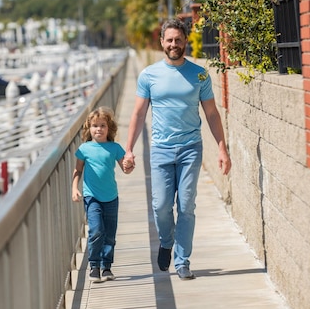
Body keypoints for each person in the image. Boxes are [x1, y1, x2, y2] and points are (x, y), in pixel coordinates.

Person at [123, 18, 231, 280]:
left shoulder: (199, 75)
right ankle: (166, 241)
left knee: (186, 205)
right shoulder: (149, 75)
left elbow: (212, 114)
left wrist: (222, 148)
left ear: (185, 42)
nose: (174, 44)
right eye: (169, 40)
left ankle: (183, 261)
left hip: (190, 149)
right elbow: (138, 114)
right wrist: (128, 150)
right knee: (160, 205)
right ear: (162, 42)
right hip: (160, 150)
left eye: (178, 40)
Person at [72, 106, 131, 283]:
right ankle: (94, 265)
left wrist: (128, 165)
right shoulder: (84, 149)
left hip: (111, 196)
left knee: (110, 235)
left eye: (102, 125)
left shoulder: (114, 148)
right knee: (96, 230)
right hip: (92, 196)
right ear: (89, 128)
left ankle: (107, 266)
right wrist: (74, 188)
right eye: (95, 125)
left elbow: (125, 168)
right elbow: (78, 170)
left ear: (109, 128)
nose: (98, 129)